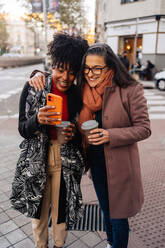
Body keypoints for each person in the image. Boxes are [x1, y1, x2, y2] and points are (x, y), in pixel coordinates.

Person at [28, 43, 151, 248]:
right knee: (105, 209)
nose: (90, 73)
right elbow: (60, 75)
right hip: (96, 163)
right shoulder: (84, 88)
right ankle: (110, 243)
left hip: (120, 167)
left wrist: (110, 135)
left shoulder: (130, 90)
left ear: (110, 67)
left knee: (118, 217)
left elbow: (144, 128)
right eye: (87, 68)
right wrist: (37, 74)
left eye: (97, 68)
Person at [10, 33, 89, 248]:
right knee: (40, 209)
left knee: (61, 210)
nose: (65, 77)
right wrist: (37, 120)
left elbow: (81, 132)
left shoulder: (76, 94)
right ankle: (41, 245)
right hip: (38, 159)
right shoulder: (34, 88)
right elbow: (23, 130)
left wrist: (74, 135)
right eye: (61, 70)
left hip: (65, 158)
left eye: (72, 72)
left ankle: (58, 245)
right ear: (52, 65)